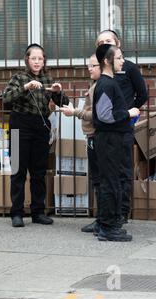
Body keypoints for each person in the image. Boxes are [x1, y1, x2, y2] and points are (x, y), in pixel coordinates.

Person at [2, 43, 69, 228]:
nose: (37, 62)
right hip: (19, 124)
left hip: (40, 126)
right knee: (18, 171)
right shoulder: (18, 77)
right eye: (34, 58)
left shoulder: (48, 79)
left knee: (38, 171)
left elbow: (64, 103)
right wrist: (26, 87)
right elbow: (5, 98)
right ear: (27, 60)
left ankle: (38, 212)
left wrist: (58, 92)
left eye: (40, 58)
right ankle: (16, 213)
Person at [95, 30, 148, 226]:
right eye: (101, 42)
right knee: (104, 175)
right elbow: (102, 108)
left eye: (109, 41)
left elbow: (142, 95)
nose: (105, 44)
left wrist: (128, 114)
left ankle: (121, 213)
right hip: (106, 129)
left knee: (122, 173)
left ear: (117, 44)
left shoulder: (129, 68)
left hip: (121, 128)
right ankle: (106, 217)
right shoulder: (103, 75)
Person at [92, 44, 140, 242]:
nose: (122, 61)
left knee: (112, 181)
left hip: (113, 139)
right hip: (109, 140)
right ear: (107, 61)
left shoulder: (109, 83)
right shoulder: (106, 84)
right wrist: (128, 113)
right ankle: (107, 226)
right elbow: (104, 116)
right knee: (110, 182)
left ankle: (109, 224)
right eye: (119, 58)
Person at [59, 54, 102, 233]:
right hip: (92, 136)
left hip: (97, 137)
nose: (90, 69)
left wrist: (75, 112)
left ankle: (103, 220)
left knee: (100, 180)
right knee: (97, 180)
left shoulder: (101, 87)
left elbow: (98, 114)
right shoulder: (95, 85)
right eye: (88, 66)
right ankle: (102, 219)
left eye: (93, 66)